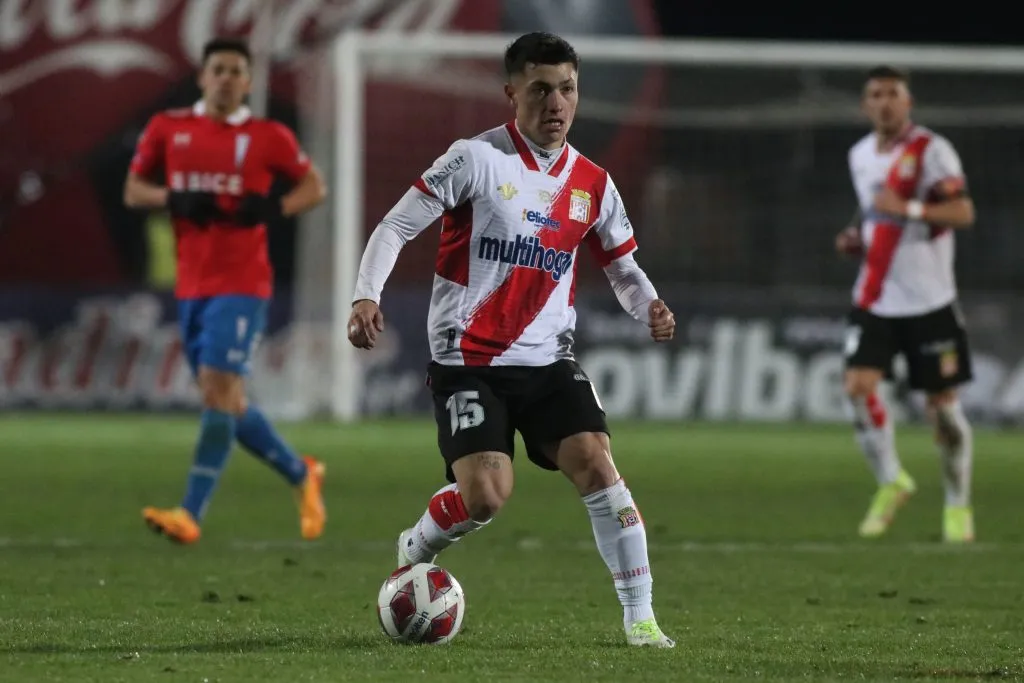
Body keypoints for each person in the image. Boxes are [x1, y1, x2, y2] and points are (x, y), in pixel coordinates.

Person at [347, 32, 676, 647]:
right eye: (541, 89)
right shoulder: (475, 159)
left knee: (599, 469)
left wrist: (648, 306)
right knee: (486, 497)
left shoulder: (594, 184)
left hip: (549, 360)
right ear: (512, 93)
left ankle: (642, 619)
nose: (556, 102)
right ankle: (415, 546)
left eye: (568, 89)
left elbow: (623, 268)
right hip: (468, 362)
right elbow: (394, 227)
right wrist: (367, 294)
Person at [123, 38, 328, 544]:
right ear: (202, 76)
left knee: (219, 392)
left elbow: (313, 187)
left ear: (249, 82)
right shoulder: (168, 128)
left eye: (237, 71)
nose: (227, 78)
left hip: (243, 284)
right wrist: (174, 197)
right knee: (226, 400)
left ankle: (190, 514)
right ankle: (302, 473)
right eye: (219, 69)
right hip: (191, 287)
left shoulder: (267, 136)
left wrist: (273, 209)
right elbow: (133, 190)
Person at [836, 65, 976, 542]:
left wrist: (910, 209)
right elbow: (879, 219)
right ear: (865, 105)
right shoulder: (859, 156)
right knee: (857, 386)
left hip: (929, 302)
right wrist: (858, 239)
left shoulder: (931, 151)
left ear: (908, 102)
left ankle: (958, 505)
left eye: (893, 94)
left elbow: (962, 211)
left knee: (944, 414)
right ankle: (892, 479)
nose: (885, 102)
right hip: (875, 299)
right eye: (876, 94)